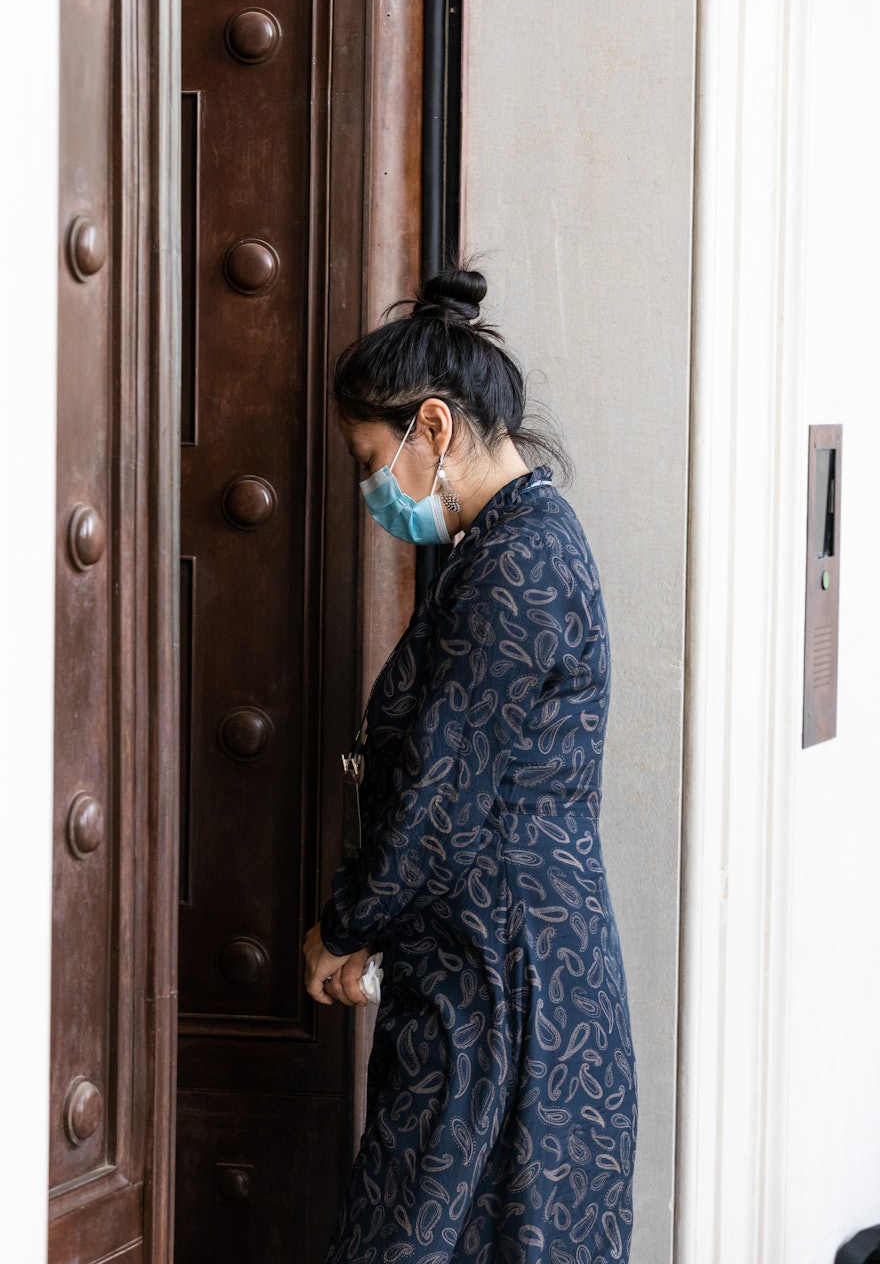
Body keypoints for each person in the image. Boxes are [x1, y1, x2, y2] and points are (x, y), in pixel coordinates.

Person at [304, 267, 636, 1264]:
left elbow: (437, 794)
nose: (372, 490)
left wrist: (341, 926)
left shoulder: (518, 562)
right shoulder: (505, 547)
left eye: (372, 459)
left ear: (433, 429)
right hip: (489, 958)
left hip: (506, 976)